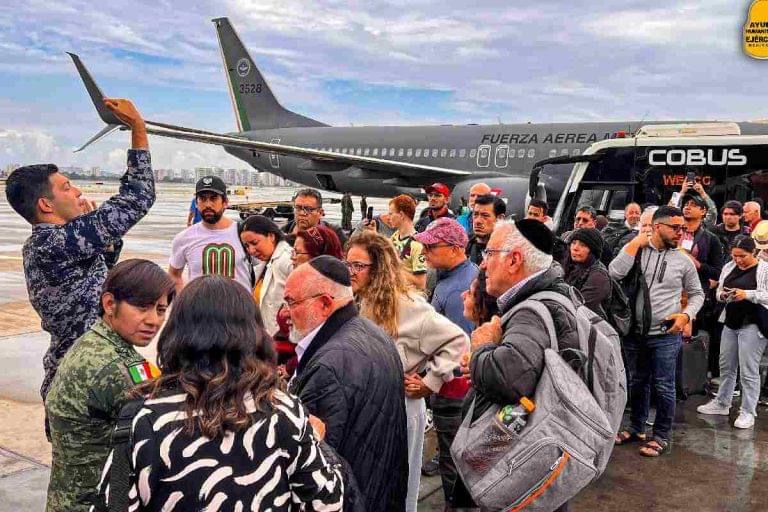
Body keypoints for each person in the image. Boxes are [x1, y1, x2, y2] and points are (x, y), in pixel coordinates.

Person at [94, 276, 344, 511]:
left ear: (177, 333)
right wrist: (317, 443)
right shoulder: (285, 412)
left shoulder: (144, 419)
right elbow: (327, 503)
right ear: (253, 333)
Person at [5, 98, 155, 401]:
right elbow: (138, 196)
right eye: (66, 187)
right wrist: (138, 128)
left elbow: (94, 281)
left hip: (87, 371)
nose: (77, 192)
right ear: (46, 205)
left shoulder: (51, 244)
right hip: (83, 381)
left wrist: (105, 242)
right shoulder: (54, 243)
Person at [346, 231, 468, 512]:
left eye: (358, 266)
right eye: (348, 264)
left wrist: (430, 381)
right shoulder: (360, 300)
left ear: (377, 269)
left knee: (401, 486)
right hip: (370, 404)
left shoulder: (409, 305)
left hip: (402, 406)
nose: (351, 272)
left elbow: (458, 340)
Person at [458, 219, 575, 512]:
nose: (483, 265)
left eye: (489, 254)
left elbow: (510, 379)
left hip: (522, 458)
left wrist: (481, 348)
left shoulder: (531, 311)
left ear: (514, 260)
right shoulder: (551, 295)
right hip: (538, 453)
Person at [45, 259, 174, 511]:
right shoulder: (117, 367)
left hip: (67, 498)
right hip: (97, 502)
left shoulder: (92, 342)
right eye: (142, 307)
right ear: (109, 304)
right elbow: (167, 427)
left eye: (160, 310)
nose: (153, 321)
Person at [285, 257, 408, 512]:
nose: (285, 312)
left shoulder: (327, 366)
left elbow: (314, 468)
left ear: (325, 303)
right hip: (381, 493)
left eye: (291, 302)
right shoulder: (373, 333)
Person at [610, 206, 704, 457]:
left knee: (664, 386)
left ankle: (661, 436)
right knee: (637, 381)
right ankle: (636, 427)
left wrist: (686, 315)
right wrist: (635, 243)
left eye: (683, 228)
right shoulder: (637, 250)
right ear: (657, 226)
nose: (680, 233)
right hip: (635, 332)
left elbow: (697, 294)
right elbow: (613, 273)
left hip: (665, 334)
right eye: (675, 228)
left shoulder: (683, 261)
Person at [414, 218, 477, 504]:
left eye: (431, 246)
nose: (424, 252)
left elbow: (456, 347)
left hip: (453, 388)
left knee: (454, 465)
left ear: (453, 248)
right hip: (460, 386)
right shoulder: (455, 276)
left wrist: (429, 384)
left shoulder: (455, 291)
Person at [697, 236, 768, 429]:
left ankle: (748, 411)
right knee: (726, 366)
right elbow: (719, 289)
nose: (738, 260)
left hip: (754, 323)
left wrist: (747, 294)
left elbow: (766, 295)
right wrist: (723, 294)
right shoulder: (729, 267)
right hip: (730, 321)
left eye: (742, 256)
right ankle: (722, 403)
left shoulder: (764, 269)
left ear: (753, 252)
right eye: (735, 256)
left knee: (749, 370)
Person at [168, 176, 252, 293]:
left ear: (225, 202)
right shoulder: (184, 238)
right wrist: (182, 305)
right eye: (202, 199)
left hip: (240, 309)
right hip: (200, 310)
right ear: (196, 203)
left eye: (213, 198)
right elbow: (174, 275)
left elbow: (263, 270)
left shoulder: (243, 234)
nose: (208, 204)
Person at [240, 215, 293, 337]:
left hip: (284, 339)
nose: (251, 251)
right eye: (247, 246)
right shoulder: (265, 263)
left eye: (254, 243)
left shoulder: (287, 259)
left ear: (271, 236)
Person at [563, 228, 612, 321]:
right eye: (573, 243)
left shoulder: (599, 276)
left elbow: (581, 309)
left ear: (593, 250)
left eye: (583, 245)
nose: (575, 248)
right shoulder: (573, 266)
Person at [388, 194, 428, 290]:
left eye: (391, 214)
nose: (389, 217)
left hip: (409, 299)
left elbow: (421, 284)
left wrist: (394, 270)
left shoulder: (417, 245)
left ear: (401, 215)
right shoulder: (394, 237)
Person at [282, 188, 348, 246]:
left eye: (308, 209)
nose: (302, 213)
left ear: (320, 212)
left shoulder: (334, 233)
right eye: (298, 208)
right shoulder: (283, 233)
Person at [466, 194, 506, 265]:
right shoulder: (463, 245)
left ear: (500, 218)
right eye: (475, 214)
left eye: (485, 216)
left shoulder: (509, 249)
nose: (478, 221)